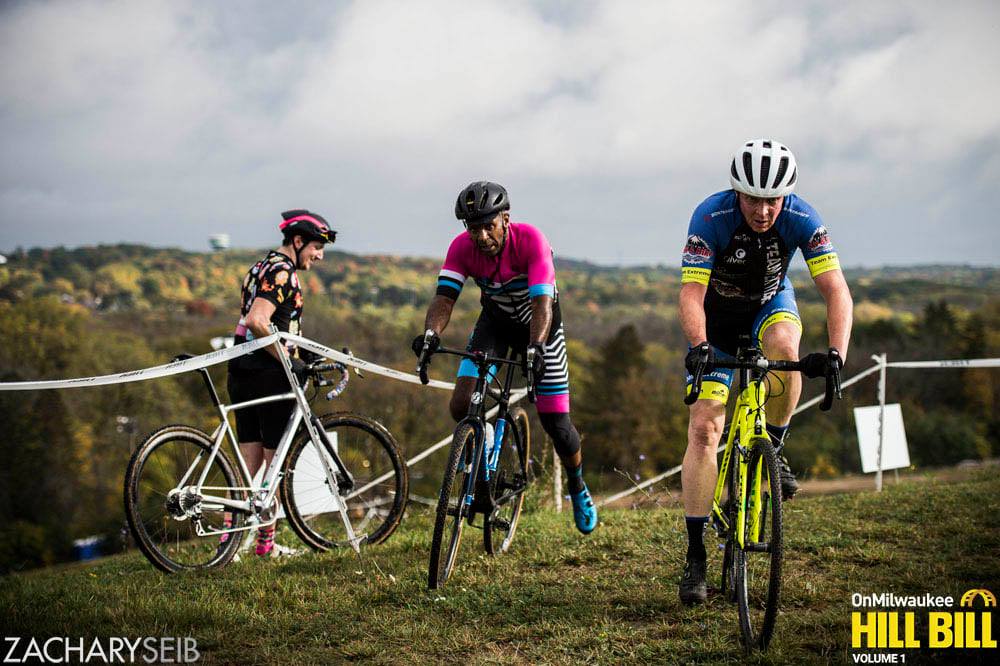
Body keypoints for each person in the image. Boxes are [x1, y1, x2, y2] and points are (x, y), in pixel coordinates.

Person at [677, 140, 853, 604]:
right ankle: (696, 555)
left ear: (787, 196)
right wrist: (698, 346)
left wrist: (836, 353)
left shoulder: (804, 218)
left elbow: (836, 291)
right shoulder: (709, 218)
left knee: (785, 350)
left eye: (772, 199)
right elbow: (691, 294)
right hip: (715, 322)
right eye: (752, 198)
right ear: (736, 192)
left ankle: (773, 447)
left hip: (769, 306)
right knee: (704, 427)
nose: (762, 209)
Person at [412, 181, 598, 534]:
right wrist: (431, 336)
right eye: (473, 227)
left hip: (539, 328)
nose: (481, 236)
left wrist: (537, 346)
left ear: (505, 219)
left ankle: (577, 485)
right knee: (462, 403)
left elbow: (543, 302)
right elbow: (444, 298)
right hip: (494, 325)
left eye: (488, 225)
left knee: (557, 425)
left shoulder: (531, 240)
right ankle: (483, 464)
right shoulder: (461, 248)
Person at [225, 209, 335, 556]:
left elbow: (268, 324)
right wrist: (289, 361)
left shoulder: (260, 267)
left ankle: (226, 546)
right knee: (275, 466)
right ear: (298, 241)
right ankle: (265, 546)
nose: (319, 255)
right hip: (270, 377)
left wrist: (302, 352)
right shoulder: (284, 272)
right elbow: (260, 321)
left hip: (240, 370)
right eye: (316, 247)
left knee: (248, 469)